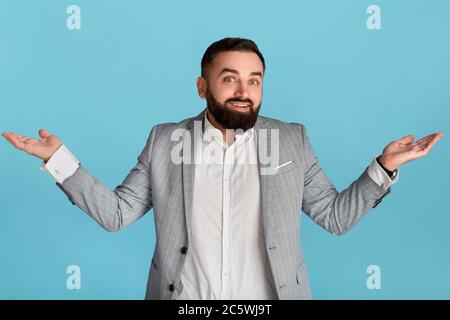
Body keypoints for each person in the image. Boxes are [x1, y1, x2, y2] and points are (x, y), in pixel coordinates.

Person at [2, 38, 444, 300]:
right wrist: (57, 159)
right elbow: (117, 214)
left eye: (254, 80)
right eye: (229, 77)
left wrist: (384, 167)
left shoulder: (291, 139)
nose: (243, 90)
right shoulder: (165, 140)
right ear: (202, 86)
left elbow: (334, 217)